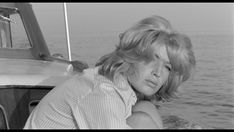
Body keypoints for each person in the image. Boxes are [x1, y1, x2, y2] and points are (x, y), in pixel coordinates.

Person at [24, 15, 196, 129]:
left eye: (167, 67)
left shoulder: (117, 83)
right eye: (151, 59)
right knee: (141, 121)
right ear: (131, 56)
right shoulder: (103, 94)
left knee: (146, 108)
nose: (158, 73)